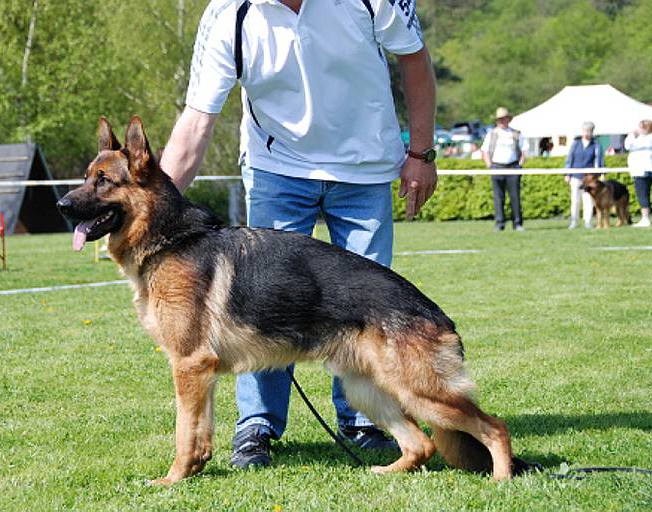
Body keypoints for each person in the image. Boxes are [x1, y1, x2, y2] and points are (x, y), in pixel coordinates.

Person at [159, 0, 438, 469]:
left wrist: (422, 152)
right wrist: (156, 210)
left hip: (366, 166)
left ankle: (367, 422)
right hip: (277, 169)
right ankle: (258, 426)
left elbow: (415, 58)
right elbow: (197, 120)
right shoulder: (230, 13)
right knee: (258, 299)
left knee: (365, 304)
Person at [481, 107, 526, 231]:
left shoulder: (516, 133)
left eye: (503, 118)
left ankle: (517, 223)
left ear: (508, 119)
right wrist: (490, 165)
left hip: (513, 166)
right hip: (497, 166)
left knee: (515, 196)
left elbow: (523, 151)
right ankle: (499, 223)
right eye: (499, 119)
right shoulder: (492, 134)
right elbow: (484, 151)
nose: (501, 121)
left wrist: (520, 165)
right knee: (498, 197)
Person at [564, 121, 604, 229]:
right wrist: (567, 174)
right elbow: (569, 159)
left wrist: (601, 174)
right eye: (585, 131)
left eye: (589, 131)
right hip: (576, 176)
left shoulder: (596, 145)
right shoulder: (575, 144)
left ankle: (588, 222)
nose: (587, 133)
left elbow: (599, 160)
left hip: (589, 178)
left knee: (588, 200)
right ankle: (574, 221)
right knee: (575, 200)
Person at [624, 120, 652, 227]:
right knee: (642, 193)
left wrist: (632, 137)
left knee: (643, 194)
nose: (640, 129)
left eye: (643, 127)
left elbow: (634, 146)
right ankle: (645, 218)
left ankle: (645, 218)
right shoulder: (640, 137)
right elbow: (627, 145)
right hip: (637, 170)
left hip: (645, 170)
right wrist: (632, 136)